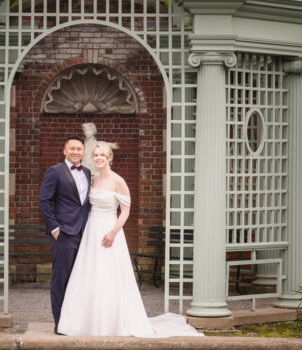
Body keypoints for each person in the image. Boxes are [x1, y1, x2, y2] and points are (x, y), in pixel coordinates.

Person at [56, 142, 202, 338]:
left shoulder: (118, 181)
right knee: (89, 273)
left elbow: (125, 211)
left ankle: (112, 322)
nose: (99, 158)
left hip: (110, 230)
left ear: (109, 158)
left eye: (102, 155)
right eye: (96, 155)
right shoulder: (93, 178)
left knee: (109, 275)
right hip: (91, 230)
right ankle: (87, 321)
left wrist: (112, 232)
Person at [38, 135, 91, 333]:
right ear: (64, 151)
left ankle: (75, 321)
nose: (76, 152)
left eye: (79, 148)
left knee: (79, 279)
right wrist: (54, 228)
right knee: (61, 278)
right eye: (72, 148)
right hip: (64, 233)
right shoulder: (55, 171)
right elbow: (44, 200)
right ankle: (60, 323)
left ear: (83, 151)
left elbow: (84, 203)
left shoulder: (87, 172)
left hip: (84, 233)